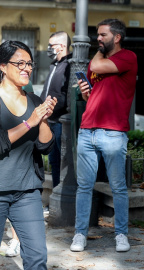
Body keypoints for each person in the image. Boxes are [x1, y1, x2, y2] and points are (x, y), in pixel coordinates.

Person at [70, 18, 137, 253]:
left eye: (103, 35)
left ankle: (121, 234)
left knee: (118, 186)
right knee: (84, 187)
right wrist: (87, 92)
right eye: (97, 35)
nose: (98, 39)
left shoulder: (128, 57)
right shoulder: (97, 61)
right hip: (88, 130)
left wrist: (96, 56)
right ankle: (80, 234)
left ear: (117, 38)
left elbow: (96, 67)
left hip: (113, 132)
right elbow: (92, 97)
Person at [0, 40, 57, 269]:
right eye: (20, 63)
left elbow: (46, 146)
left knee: (37, 258)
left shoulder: (34, 100)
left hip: (27, 192)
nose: (26, 68)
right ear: (2, 66)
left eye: (30, 64)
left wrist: (41, 120)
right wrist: (29, 123)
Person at [40, 31, 71, 188]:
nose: (48, 48)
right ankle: (56, 194)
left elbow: (65, 95)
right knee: (53, 160)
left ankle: (63, 193)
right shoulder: (54, 65)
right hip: (50, 121)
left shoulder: (70, 64)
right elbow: (48, 90)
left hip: (60, 121)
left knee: (63, 160)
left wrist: (51, 108)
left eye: (51, 45)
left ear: (62, 46)